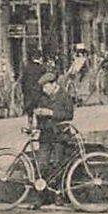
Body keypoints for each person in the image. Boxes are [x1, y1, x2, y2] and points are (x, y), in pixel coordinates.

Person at [30, 71, 79, 203]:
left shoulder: (65, 96)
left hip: (60, 135)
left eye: (46, 87)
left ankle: (59, 194)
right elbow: (38, 114)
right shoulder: (43, 98)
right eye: (43, 88)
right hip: (46, 135)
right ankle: (41, 196)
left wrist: (51, 113)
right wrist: (37, 119)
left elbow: (69, 115)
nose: (45, 90)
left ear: (54, 84)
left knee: (58, 165)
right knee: (42, 165)